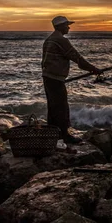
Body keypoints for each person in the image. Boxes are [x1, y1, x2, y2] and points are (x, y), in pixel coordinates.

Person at [42, 15, 101, 144]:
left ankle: (53, 135)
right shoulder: (61, 41)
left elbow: (44, 62)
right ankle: (65, 136)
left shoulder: (49, 40)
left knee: (53, 107)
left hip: (47, 77)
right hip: (55, 79)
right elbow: (77, 59)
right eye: (67, 25)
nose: (69, 27)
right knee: (61, 107)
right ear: (61, 26)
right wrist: (94, 69)